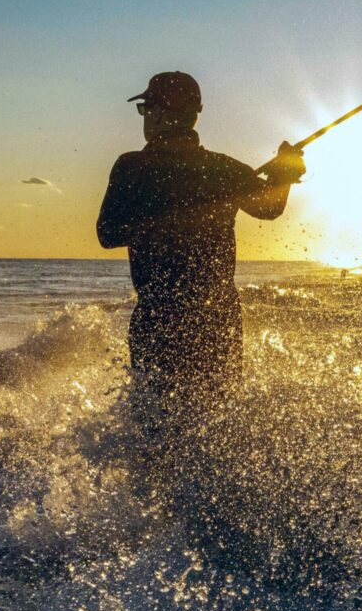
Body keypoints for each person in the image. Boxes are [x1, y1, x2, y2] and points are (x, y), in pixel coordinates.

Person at [97, 72, 305, 405]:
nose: (146, 118)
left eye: (146, 108)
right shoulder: (224, 169)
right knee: (218, 417)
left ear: (164, 113)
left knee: (155, 425)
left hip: (158, 319)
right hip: (217, 320)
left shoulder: (132, 167)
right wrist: (284, 172)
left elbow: (107, 233)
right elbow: (271, 208)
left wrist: (154, 225)